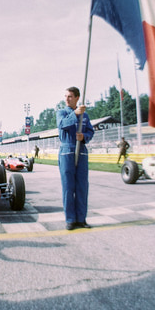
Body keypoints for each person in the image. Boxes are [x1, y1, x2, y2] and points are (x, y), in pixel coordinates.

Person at [56, 86, 95, 230]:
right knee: (68, 187)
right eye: (65, 96)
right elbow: (61, 125)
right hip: (67, 150)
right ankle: (70, 219)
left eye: (70, 96)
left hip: (81, 150)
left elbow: (91, 131)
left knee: (82, 187)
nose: (67, 99)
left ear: (77, 98)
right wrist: (75, 114)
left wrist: (84, 136)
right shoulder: (61, 112)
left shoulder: (85, 115)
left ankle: (81, 219)